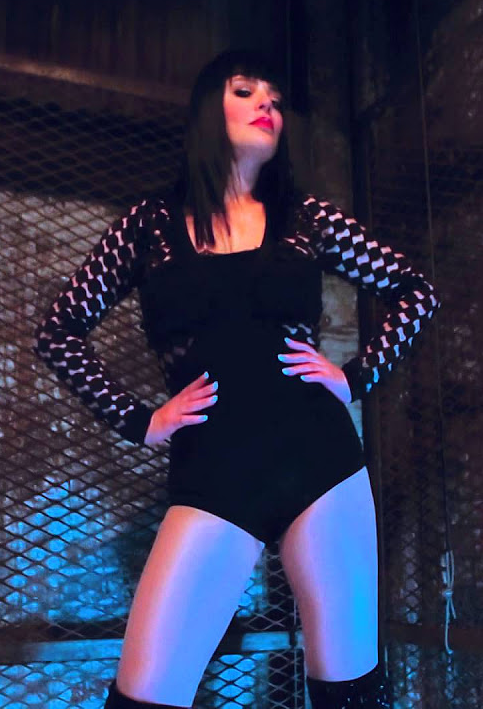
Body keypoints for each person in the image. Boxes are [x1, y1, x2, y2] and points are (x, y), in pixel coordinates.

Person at [33, 49, 440, 709]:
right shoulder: (150, 224)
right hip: (214, 472)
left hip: (320, 464)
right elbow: (58, 331)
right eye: (246, 90)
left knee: (350, 696)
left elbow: (414, 291)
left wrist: (355, 377)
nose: (266, 104)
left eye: (275, 97)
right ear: (207, 110)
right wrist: (140, 420)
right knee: (145, 697)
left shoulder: (306, 217)